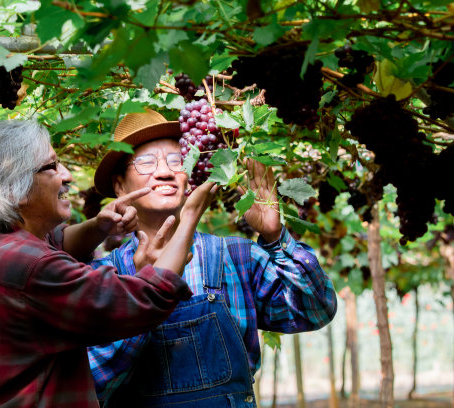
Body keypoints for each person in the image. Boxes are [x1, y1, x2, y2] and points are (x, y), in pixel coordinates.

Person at [0, 119, 217, 408]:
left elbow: (54, 242)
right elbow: (148, 298)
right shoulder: (35, 267)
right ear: (16, 188)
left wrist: (99, 227)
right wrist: (189, 216)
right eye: (51, 166)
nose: (66, 175)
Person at [87, 109, 338, 407]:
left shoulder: (236, 256)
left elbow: (315, 310)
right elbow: (92, 382)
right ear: (119, 186)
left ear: (191, 174)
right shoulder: (101, 276)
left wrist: (275, 237)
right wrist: (143, 300)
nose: (164, 172)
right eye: (145, 162)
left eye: (177, 160)